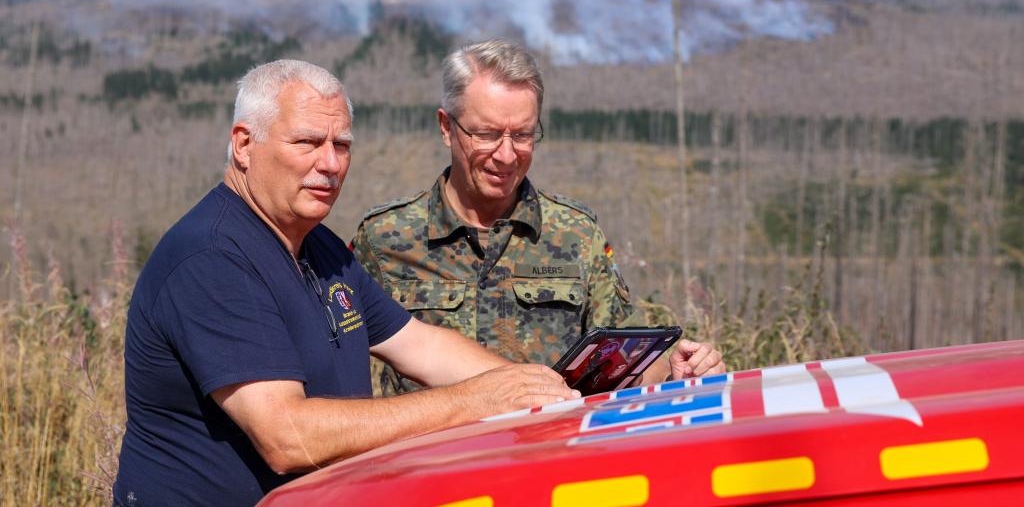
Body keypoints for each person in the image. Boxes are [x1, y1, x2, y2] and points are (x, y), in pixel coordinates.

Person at [113, 60, 576, 507]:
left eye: (342, 144)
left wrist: (547, 392)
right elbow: (288, 438)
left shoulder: (319, 248)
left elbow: (421, 346)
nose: (330, 164)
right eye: (307, 142)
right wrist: (475, 403)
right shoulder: (213, 258)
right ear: (243, 144)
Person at [351, 39, 724, 396]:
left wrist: (673, 372)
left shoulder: (575, 235)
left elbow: (629, 360)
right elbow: (331, 356)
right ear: (446, 127)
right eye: (487, 134)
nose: (507, 155)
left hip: (546, 455)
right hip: (431, 460)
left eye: (524, 135)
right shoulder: (385, 238)